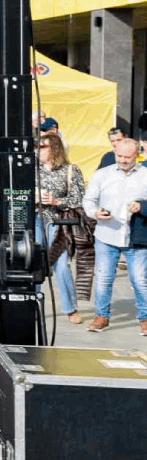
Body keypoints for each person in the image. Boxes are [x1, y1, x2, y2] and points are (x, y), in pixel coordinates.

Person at [81, 137, 147, 334]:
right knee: (103, 278)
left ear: (137, 155)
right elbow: (88, 200)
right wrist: (94, 213)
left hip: (136, 237)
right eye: (120, 156)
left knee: (140, 279)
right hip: (107, 235)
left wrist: (141, 206)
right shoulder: (102, 174)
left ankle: (145, 318)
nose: (124, 160)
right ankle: (101, 316)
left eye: (128, 157)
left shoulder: (145, 175)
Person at [35, 133, 92, 322]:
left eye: (42, 147)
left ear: (54, 149)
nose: (38, 150)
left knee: (61, 265)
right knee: (33, 262)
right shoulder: (31, 170)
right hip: (35, 220)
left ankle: (70, 308)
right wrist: (31, 198)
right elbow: (16, 194)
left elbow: (79, 200)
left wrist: (56, 200)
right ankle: (32, 305)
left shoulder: (70, 170)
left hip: (59, 223)